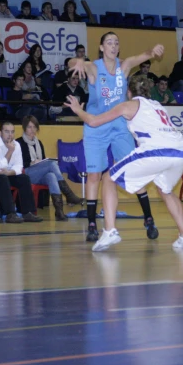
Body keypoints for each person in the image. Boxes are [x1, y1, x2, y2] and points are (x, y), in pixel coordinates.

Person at [64, 76, 183, 251]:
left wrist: (78, 110)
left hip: (157, 150)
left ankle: (110, 231)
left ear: (128, 92)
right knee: (165, 190)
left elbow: (94, 122)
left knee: (108, 178)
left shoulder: (128, 105)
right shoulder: (157, 106)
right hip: (181, 151)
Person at [68, 32, 161, 242]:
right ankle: (92, 224)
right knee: (94, 176)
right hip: (96, 125)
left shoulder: (125, 66)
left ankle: (148, 218)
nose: (113, 45)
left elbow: (143, 56)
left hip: (119, 126)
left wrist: (152, 52)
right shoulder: (94, 67)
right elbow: (73, 62)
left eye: (116, 42)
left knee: (132, 170)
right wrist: (79, 61)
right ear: (101, 47)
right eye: (109, 42)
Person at [17, 115, 81, 220]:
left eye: (34, 127)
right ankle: (69, 195)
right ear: (24, 128)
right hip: (26, 173)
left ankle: (59, 212)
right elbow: (18, 163)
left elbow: (42, 160)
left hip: (38, 173)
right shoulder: (19, 143)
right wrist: (31, 163)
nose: (32, 130)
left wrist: (42, 162)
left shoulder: (39, 143)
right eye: (29, 127)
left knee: (51, 175)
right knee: (51, 164)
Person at [0, 122, 43, 223]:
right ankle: (10, 213)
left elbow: (19, 166)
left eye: (12, 132)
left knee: (24, 178)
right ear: (0, 133)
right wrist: (10, 151)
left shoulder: (16, 144)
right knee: (3, 179)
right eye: (6, 131)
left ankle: (27, 213)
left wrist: (9, 173)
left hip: (7, 172)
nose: (10, 135)